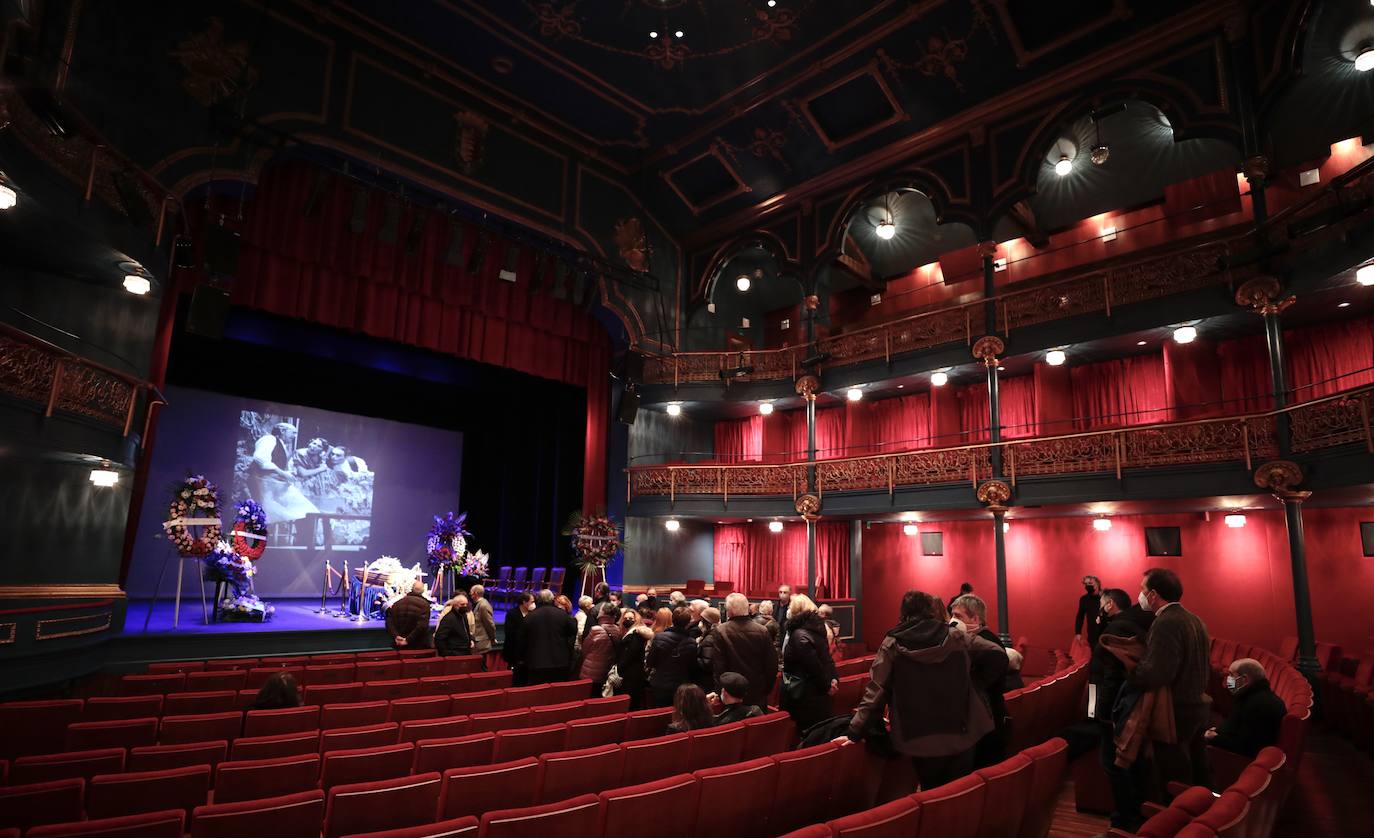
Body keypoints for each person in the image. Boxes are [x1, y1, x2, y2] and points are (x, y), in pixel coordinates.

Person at [847, 591, 1007, 790]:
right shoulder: (953, 634)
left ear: (904, 612)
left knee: (931, 794)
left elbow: (876, 690)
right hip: (960, 730)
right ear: (930, 611)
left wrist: (854, 730)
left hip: (918, 735)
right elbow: (997, 654)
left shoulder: (893, 643)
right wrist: (974, 684)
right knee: (958, 794)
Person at [1132, 569, 1212, 794]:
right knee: (1198, 769)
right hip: (1198, 705)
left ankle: (1179, 824)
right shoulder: (1194, 619)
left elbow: (1157, 672)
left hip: (1177, 710)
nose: (1140, 595)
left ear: (1153, 595)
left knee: (1175, 776)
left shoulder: (1166, 622)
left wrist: (1131, 673)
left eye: (1142, 590)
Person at [1091, 587, 1154, 829]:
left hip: (1117, 711)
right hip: (1125, 707)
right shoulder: (1129, 625)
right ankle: (1132, 816)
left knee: (1116, 765)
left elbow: (1111, 676)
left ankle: (1125, 822)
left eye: (1102, 604)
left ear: (1109, 605)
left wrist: (1104, 714)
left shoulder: (1118, 629)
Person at [951, 594, 1010, 768]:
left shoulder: (989, 645)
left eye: (959, 616)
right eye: (952, 615)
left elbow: (977, 687)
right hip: (976, 725)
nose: (953, 621)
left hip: (989, 727)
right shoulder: (965, 642)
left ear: (975, 619)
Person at [700, 592, 778, 707]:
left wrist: (720, 692)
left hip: (731, 694)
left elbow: (719, 667)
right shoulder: (762, 630)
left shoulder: (721, 631)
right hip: (757, 692)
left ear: (729, 611)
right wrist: (765, 690)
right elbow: (771, 665)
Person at [781, 594, 838, 735]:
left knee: (806, 736)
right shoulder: (818, 630)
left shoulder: (799, 635)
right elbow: (827, 660)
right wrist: (833, 680)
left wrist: (827, 686)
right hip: (816, 695)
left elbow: (814, 667)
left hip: (803, 696)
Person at [1205, 658, 1286, 758]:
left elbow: (1246, 746)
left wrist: (1215, 738)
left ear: (1245, 679)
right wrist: (1218, 732)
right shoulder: (1252, 696)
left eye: (1231, 675)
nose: (1228, 680)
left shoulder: (1259, 705)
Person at [646, 606, 698, 708]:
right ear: (688, 623)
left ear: (673, 619)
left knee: (659, 714)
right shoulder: (692, 643)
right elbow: (692, 667)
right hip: (681, 685)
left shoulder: (659, 637)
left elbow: (650, 662)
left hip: (660, 683)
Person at [523, 589, 577, 684]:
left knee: (536, 694)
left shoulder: (530, 617)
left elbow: (523, 639)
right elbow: (572, 634)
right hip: (560, 662)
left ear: (538, 600)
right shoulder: (563, 615)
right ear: (552, 599)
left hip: (536, 663)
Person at [579, 602, 624, 697]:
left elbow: (585, 649)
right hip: (606, 671)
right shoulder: (618, 630)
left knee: (586, 697)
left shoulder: (596, 630)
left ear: (602, 613)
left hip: (590, 672)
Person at [616, 608, 654, 709]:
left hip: (632, 675)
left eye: (631, 618)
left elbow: (629, 655)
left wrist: (617, 668)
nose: (628, 620)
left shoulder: (636, 635)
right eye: (626, 618)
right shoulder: (628, 633)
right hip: (630, 673)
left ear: (636, 620)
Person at [386, 580, 432, 649]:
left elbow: (389, 622)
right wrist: (407, 640)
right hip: (417, 646)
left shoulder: (397, 603)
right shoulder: (425, 605)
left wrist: (396, 636)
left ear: (412, 589)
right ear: (423, 591)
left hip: (398, 645)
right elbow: (422, 626)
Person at [503, 592, 535, 685]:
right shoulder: (512, 614)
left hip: (527, 653)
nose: (533, 604)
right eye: (532, 602)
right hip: (513, 652)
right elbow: (510, 634)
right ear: (524, 602)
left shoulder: (533, 614)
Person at [1076, 575, 1105, 648]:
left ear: (1097, 583)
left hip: (1106, 633)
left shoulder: (1106, 596)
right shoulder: (1084, 599)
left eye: (1090, 583)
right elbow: (1080, 616)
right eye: (1086, 584)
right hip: (1092, 634)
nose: (1088, 585)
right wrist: (1078, 632)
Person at [470, 584, 496, 662]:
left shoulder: (483, 606)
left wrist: (493, 637)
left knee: (481, 666)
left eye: (471, 592)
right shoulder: (477, 604)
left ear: (475, 593)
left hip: (482, 642)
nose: (470, 594)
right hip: (477, 642)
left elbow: (490, 624)